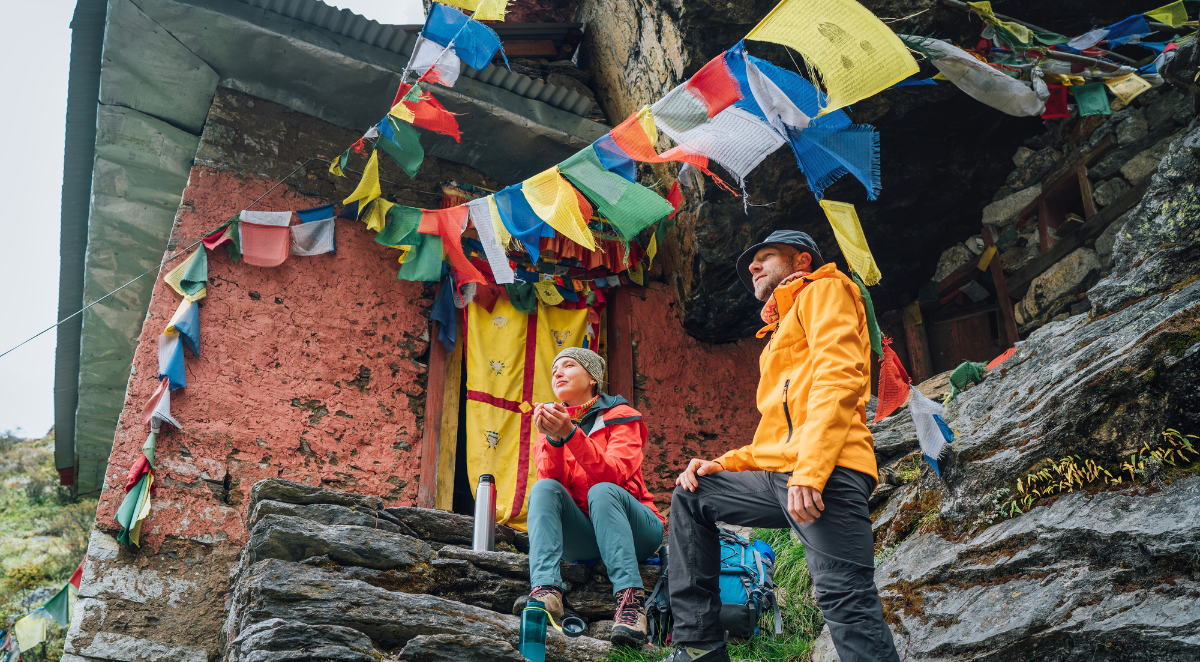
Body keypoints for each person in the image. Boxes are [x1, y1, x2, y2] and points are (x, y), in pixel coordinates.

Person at [663, 231, 899, 662]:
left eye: (765, 257)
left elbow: (840, 376)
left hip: (830, 470)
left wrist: (811, 470)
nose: (752, 267)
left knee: (846, 601)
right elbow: (777, 434)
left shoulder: (826, 290)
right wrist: (722, 463)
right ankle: (699, 646)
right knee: (693, 493)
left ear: (801, 260)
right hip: (780, 476)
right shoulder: (775, 334)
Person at [514, 346, 665, 648]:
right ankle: (546, 590)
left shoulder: (622, 416)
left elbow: (615, 475)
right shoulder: (554, 423)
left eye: (569, 366)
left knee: (602, 490)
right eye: (555, 369)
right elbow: (552, 489)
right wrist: (555, 440)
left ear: (593, 377)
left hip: (637, 531)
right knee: (542, 489)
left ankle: (631, 605)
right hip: (587, 536)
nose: (558, 373)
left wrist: (571, 434)